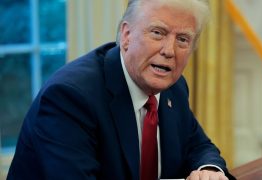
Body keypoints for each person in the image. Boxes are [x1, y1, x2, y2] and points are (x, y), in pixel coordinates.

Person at [7, 0, 235, 179]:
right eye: (158, 32)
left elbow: (198, 145)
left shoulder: (173, 87)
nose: (169, 51)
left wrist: (209, 170)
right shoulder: (70, 98)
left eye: (183, 39)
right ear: (126, 35)